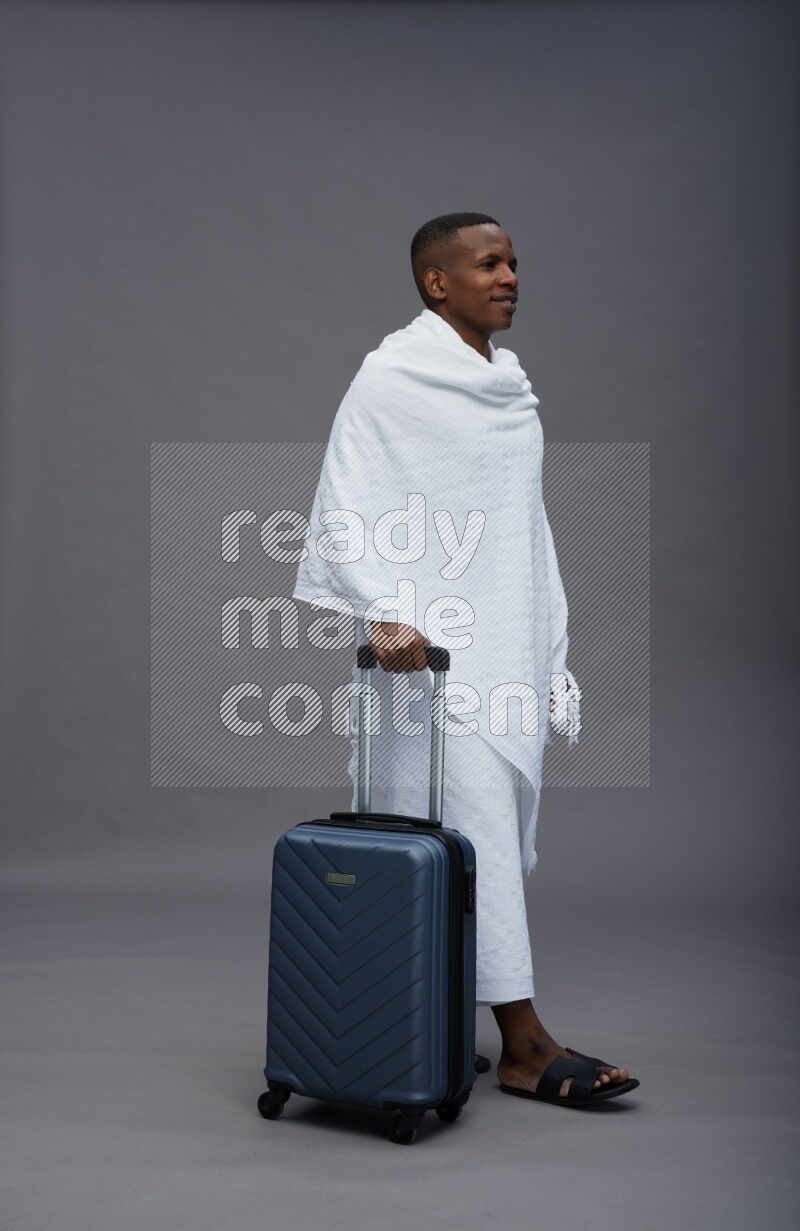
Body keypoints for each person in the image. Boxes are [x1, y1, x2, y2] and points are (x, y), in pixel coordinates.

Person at [293, 212, 638, 1107]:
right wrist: (382, 610)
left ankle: (420, 1013)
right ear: (435, 282)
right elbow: (343, 501)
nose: (510, 275)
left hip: (501, 640)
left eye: (515, 262)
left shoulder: (509, 383)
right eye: (488, 263)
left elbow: (525, 528)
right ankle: (523, 1041)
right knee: (467, 823)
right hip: (427, 654)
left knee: (465, 838)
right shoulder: (392, 376)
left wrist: (545, 642)